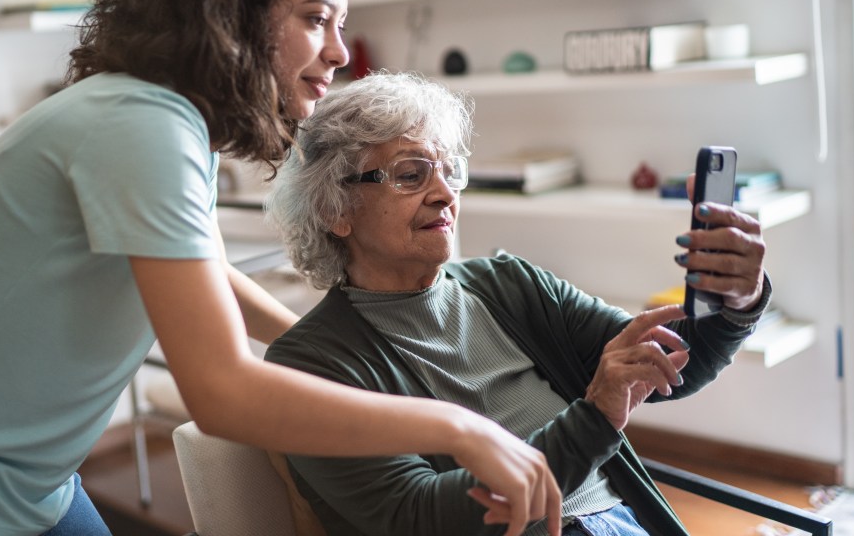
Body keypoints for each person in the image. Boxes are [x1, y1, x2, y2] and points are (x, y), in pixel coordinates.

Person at [0, 0, 560, 536]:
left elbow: (208, 278)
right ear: (234, 12)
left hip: (24, 482)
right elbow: (220, 393)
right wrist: (460, 429)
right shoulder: (141, 125)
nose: (335, 51)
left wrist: (322, 342)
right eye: (315, 18)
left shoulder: (154, 118)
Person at [263, 72, 771, 536]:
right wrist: (593, 419)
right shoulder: (308, 366)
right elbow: (420, 516)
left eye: (447, 169)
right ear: (335, 209)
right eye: (411, 174)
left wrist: (737, 298)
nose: (444, 193)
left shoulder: (508, 283)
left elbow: (669, 364)